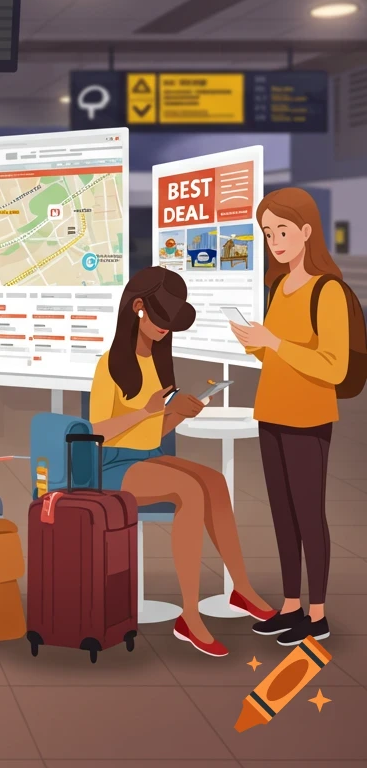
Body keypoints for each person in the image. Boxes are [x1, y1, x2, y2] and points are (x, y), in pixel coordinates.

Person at [90, 265, 273, 657]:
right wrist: (145, 411)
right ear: (137, 307)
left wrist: (178, 413)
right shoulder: (110, 364)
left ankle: (241, 588)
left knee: (214, 481)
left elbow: (154, 434)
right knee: (189, 489)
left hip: (148, 457)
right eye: (160, 319)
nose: (165, 329)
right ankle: (189, 615)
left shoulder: (157, 363)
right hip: (111, 465)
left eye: (170, 323)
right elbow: (95, 432)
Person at [231, 188, 347, 645]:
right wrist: (254, 341)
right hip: (272, 412)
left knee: (308, 513)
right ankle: (291, 605)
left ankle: (317, 614)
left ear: (305, 231)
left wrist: (274, 343)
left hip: (309, 417)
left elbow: (333, 366)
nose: (274, 240)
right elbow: (273, 357)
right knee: (282, 514)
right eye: (266, 232)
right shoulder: (279, 287)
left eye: (282, 230)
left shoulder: (328, 290)